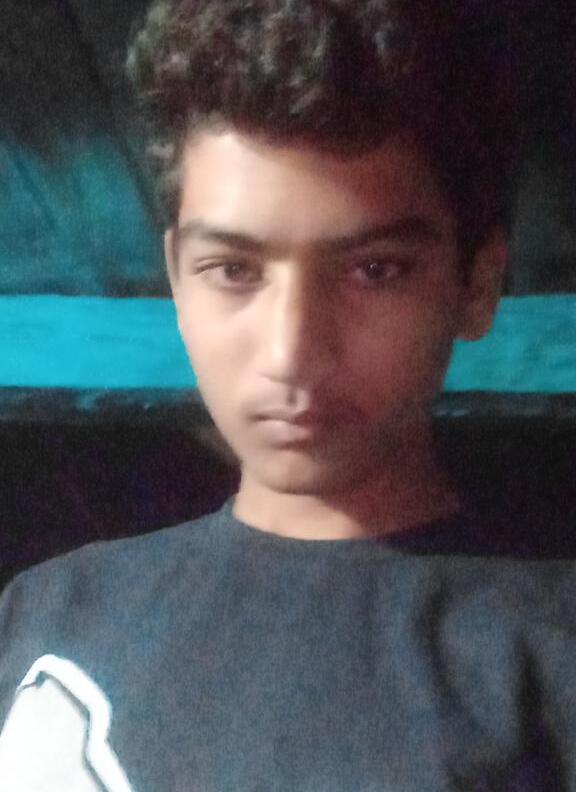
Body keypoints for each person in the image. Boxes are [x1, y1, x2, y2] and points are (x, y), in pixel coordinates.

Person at [1, 1, 575, 790]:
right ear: (178, 281)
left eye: (374, 270)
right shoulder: (41, 614)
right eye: (234, 271)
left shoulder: (549, 654)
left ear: (476, 285)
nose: (292, 353)